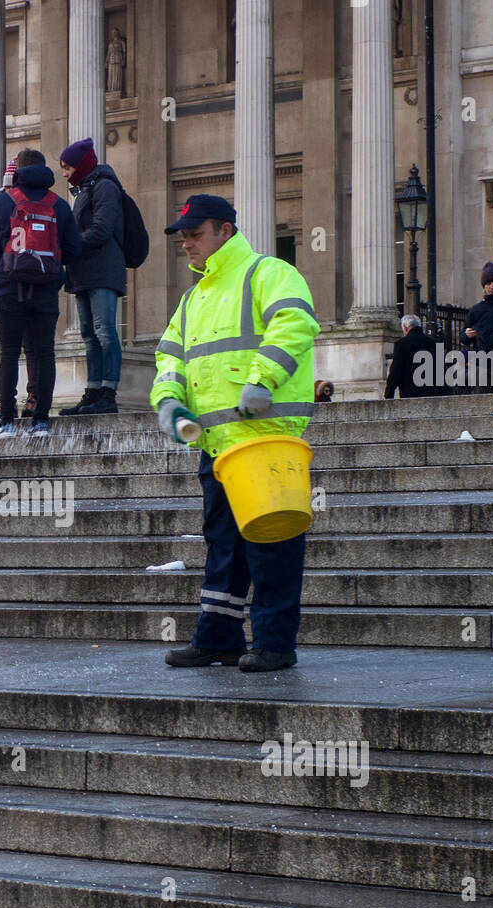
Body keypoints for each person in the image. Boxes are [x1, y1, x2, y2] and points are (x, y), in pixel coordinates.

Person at [152, 194, 319, 673]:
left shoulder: (268, 273)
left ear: (225, 230)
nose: (186, 243)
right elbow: (170, 359)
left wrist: (262, 379)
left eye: (195, 233)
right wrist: (168, 400)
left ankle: (274, 642)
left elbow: (295, 324)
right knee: (224, 546)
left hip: (265, 439)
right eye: (182, 236)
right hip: (219, 447)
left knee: (273, 541)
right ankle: (219, 638)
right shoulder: (193, 298)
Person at [0, 148, 82, 437]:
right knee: (45, 352)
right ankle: (41, 421)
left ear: (17, 171)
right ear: (44, 170)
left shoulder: (3, 201)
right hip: (46, 290)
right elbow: (73, 249)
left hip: (10, 288)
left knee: (9, 352)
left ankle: (7, 421)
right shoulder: (59, 205)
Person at [58, 137, 125, 417]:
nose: (64, 173)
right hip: (84, 271)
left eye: (67, 167)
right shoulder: (85, 189)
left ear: (81, 165)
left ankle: (108, 393)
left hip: (102, 270)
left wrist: (70, 244)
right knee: (88, 334)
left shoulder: (105, 187)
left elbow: (102, 228)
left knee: (105, 332)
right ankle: (94, 390)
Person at [385, 314, 441, 398]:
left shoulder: (401, 344)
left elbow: (395, 372)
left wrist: (388, 394)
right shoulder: (434, 344)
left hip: (410, 394)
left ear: (405, 327)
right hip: (432, 395)